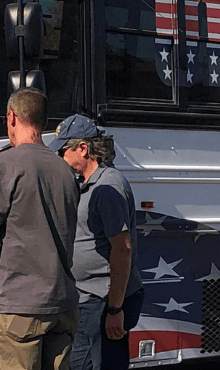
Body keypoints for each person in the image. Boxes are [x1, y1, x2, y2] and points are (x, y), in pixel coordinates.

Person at [0, 87, 81, 370]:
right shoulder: (65, 170)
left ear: (12, 117)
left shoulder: (2, 165)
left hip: (18, 303)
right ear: (43, 122)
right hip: (62, 302)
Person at [50, 115, 143, 370]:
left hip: (102, 301)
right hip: (88, 298)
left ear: (83, 148)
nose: (60, 157)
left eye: (63, 150)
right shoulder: (87, 184)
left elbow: (122, 249)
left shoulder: (107, 187)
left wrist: (114, 309)